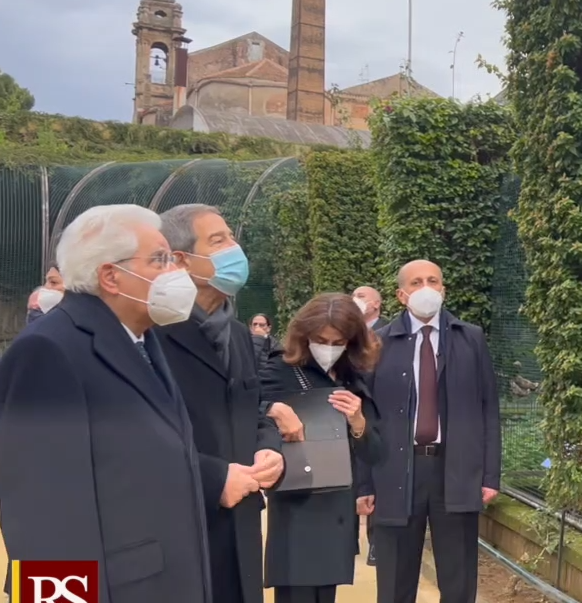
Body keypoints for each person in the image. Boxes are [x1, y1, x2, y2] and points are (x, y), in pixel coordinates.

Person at [0, 204, 213, 603]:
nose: (175, 271)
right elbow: (41, 516)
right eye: (159, 259)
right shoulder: (48, 351)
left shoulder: (141, 340)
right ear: (111, 276)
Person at [153, 204, 284, 603]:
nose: (234, 247)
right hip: (180, 526)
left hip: (241, 528)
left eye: (231, 236)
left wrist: (269, 447)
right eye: (219, 240)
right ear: (180, 259)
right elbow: (137, 435)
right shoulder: (149, 333)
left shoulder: (241, 335)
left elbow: (255, 408)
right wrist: (214, 478)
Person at [359, 259, 501, 603]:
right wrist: (364, 482)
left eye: (433, 281)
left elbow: (488, 409)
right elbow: (365, 418)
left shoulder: (470, 339)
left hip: (455, 470)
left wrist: (490, 475)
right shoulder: (378, 344)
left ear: (443, 290)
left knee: (458, 576)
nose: (426, 287)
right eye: (417, 282)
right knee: (395, 577)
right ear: (401, 295)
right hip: (395, 471)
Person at [259, 292, 385, 603]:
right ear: (304, 335)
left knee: (325, 594)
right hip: (297, 505)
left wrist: (357, 421)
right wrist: (273, 409)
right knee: (297, 592)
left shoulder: (352, 376)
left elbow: (376, 452)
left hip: (337, 505)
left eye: (337, 341)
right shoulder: (280, 369)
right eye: (321, 339)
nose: (328, 348)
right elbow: (243, 410)